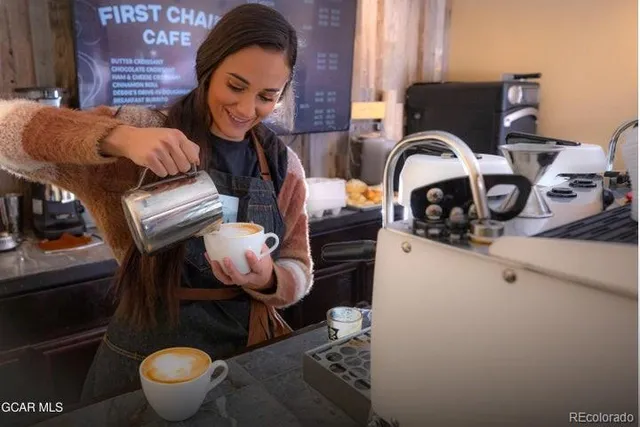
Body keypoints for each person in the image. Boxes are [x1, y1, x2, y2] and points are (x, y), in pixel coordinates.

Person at [0, 3, 313, 401]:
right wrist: (119, 138)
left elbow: (298, 266)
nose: (247, 109)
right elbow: (5, 129)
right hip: (145, 354)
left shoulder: (284, 166)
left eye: (268, 96)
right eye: (235, 86)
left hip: (245, 349)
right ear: (208, 67)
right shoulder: (144, 131)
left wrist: (270, 279)